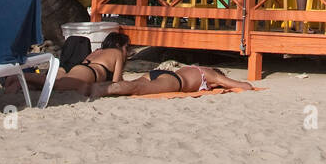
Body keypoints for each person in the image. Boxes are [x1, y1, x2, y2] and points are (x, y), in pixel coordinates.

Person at [91, 62, 254, 96]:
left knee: (133, 84)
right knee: (137, 89)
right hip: (174, 81)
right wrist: (222, 81)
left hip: (160, 73)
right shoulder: (212, 75)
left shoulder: (191, 67)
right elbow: (244, 85)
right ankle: (104, 89)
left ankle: (97, 87)